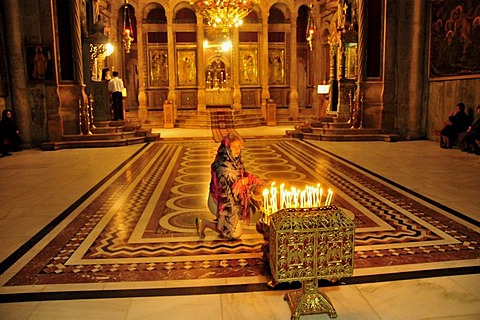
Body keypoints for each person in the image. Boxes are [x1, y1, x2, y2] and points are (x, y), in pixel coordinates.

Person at [195, 134, 262, 240]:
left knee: (250, 209)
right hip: (220, 202)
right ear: (227, 147)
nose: (237, 149)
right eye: (234, 146)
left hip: (232, 201)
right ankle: (205, 223)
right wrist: (245, 182)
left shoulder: (235, 161)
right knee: (235, 234)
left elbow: (244, 175)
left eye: (239, 146)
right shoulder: (222, 165)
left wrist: (256, 181)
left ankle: (223, 222)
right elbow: (233, 185)